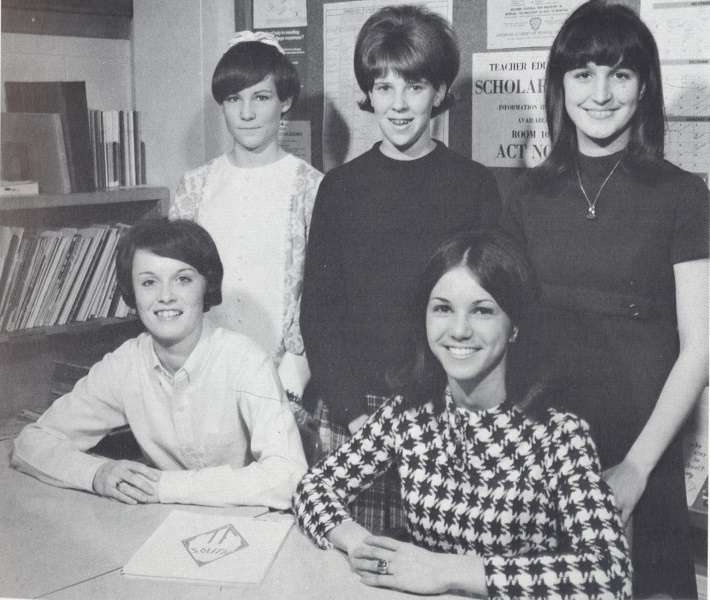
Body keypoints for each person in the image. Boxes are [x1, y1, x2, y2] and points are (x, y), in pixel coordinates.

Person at [499, 1, 709, 597]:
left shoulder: (683, 195)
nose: (600, 93)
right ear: (559, 85)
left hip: (643, 451)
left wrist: (637, 468)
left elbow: (700, 346)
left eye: (619, 74)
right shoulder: (525, 196)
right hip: (542, 457)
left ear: (643, 87)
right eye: (583, 73)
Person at [294, 229, 632, 599]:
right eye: (442, 308)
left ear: (515, 326)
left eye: (482, 311)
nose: (458, 330)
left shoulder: (560, 434)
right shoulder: (407, 414)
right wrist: (359, 543)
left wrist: (448, 571)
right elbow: (313, 488)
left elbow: (610, 575)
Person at [301, 4, 501, 532]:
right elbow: (319, 313)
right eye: (384, 87)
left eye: (414, 86)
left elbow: (494, 311)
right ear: (369, 93)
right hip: (355, 410)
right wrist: (354, 416)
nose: (398, 104)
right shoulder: (340, 189)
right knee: (355, 561)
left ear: (439, 92)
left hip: (448, 412)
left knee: (440, 559)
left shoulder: (474, 186)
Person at [12, 219, 308, 509]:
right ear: (132, 292)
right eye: (149, 282)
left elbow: (288, 475)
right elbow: (31, 442)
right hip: (161, 520)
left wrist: (162, 487)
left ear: (206, 285)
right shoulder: (125, 364)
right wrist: (96, 473)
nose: (165, 297)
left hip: (247, 520)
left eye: (183, 279)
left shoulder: (245, 360)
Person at [170, 30, 323, 405]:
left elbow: (321, 293)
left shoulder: (311, 187)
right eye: (234, 99)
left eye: (261, 97)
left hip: (284, 380)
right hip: (202, 372)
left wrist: (290, 379)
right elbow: (173, 281)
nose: (247, 113)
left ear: (285, 101)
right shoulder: (195, 186)